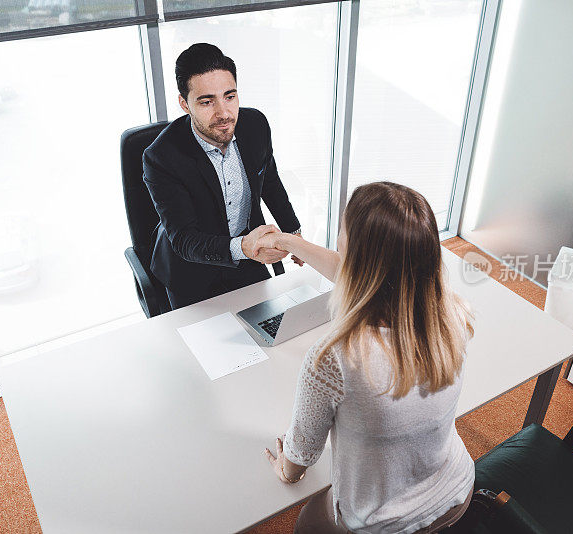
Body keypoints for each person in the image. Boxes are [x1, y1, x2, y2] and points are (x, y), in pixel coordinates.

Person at [259, 182, 476, 534]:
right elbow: (362, 274)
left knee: (306, 523)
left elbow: (298, 460)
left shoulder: (334, 358)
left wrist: (282, 470)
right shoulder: (451, 309)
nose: (338, 239)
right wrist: (288, 242)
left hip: (384, 522)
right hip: (456, 489)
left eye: (342, 233)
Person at [143, 43, 301, 309]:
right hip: (190, 270)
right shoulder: (161, 157)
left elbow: (270, 182)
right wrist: (245, 247)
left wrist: (293, 232)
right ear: (185, 103)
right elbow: (184, 239)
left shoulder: (255, 125)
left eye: (230, 96)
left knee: (271, 332)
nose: (224, 113)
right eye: (207, 101)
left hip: (248, 257)